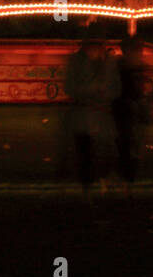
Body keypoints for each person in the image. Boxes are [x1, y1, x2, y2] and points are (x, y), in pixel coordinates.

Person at [62, 33, 120, 197]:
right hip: (86, 116)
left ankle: (101, 184)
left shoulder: (108, 63)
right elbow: (69, 87)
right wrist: (91, 91)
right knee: (85, 152)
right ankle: (88, 186)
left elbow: (116, 87)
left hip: (99, 115)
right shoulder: (78, 62)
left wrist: (106, 94)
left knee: (104, 151)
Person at [112, 37, 148, 193]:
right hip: (125, 110)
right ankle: (128, 178)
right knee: (127, 143)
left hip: (126, 109)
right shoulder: (128, 67)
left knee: (127, 144)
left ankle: (127, 178)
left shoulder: (123, 66)